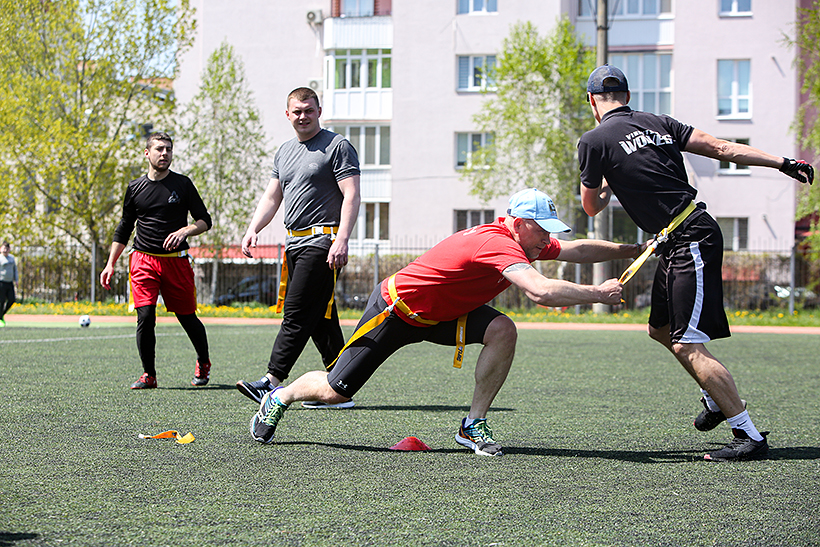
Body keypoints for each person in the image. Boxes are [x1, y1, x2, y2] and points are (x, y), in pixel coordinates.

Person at [248, 188, 644, 456]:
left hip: (443, 316)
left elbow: (577, 250)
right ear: (518, 223)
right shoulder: (498, 243)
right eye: (541, 230)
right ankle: (279, 397)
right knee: (335, 391)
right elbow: (539, 292)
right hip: (396, 310)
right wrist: (597, 294)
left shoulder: (528, 241)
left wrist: (633, 249)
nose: (546, 239)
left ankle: (473, 424)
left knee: (503, 329)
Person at [578, 64, 815, 462]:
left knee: (686, 343)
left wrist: (606, 178)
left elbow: (591, 206)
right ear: (628, 97)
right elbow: (721, 148)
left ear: (591, 102)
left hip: (689, 237)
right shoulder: (660, 123)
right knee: (660, 329)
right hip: (677, 237)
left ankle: (748, 435)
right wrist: (783, 163)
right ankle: (715, 399)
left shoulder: (593, 140)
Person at [235, 87, 361, 409]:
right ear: (288, 114)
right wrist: (253, 229)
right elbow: (272, 197)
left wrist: (342, 239)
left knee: (296, 313)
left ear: (319, 111)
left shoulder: (337, 146)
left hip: (323, 242)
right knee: (320, 318)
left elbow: (351, 195)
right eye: (297, 111)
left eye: (309, 110)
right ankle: (340, 387)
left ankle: (270, 381)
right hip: (294, 243)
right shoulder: (285, 151)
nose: (303, 116)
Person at [100, 132, 214, 389]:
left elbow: (204, 221)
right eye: (160, 149)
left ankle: (203, 361)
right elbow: (124, 228)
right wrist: (110, 263)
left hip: (176, 262)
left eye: (168, 149)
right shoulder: (135, 188)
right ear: (147, 153)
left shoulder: (183, 184)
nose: (165, 153)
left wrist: (185, 231)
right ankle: (148, 375)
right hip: (143, 260)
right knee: (145, 315)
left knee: (187, 317)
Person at [0, 241, 18, 327]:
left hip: (9, 283)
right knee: (1, 301)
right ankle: (0, 318)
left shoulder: (11, 258)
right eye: (4, 248)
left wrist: (16, 280)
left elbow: (15, 270)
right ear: (1, 249)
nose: (5, 250)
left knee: (12, 300)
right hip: (1, 282)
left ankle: (1, 314)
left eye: (7, 248)